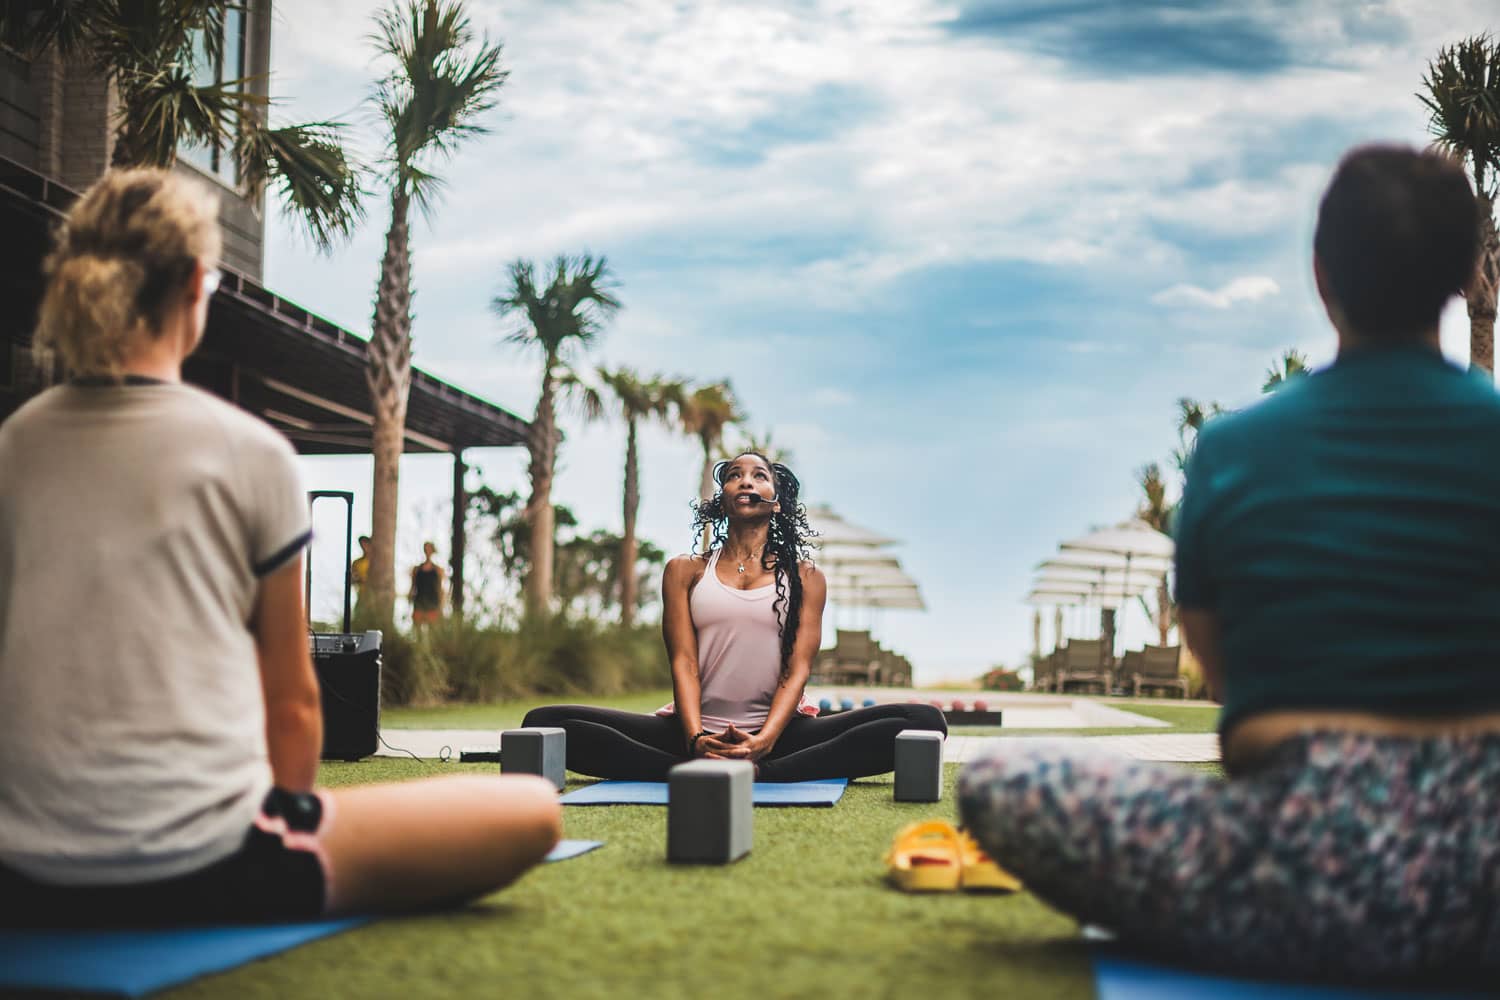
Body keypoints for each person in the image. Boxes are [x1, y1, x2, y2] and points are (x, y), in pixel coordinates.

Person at [958, 145, 1500, 980]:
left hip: (1295, 863)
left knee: (1003, 781)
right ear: (1468, 271)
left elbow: (1221, 671)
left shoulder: (1233, 447)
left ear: (1322, 276)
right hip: (1485, 864)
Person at [0, 168, 560, 928]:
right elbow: (294, 702)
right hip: (211, 865)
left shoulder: (15, 443)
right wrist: (287, 816)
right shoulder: (250, 453)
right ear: (199, 284)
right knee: (530, 810)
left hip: (24, 874)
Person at [523, 452, 946, 781]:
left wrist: (763, 741)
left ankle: (762, 772)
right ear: (722, 500)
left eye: (759, 475)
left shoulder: (806, 577)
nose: (746, 480)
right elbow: (684, 662)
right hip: (691, 731)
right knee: (544, 722)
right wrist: (694, 739)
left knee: (924, 720)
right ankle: (697, 765)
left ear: (777, 503)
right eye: (734, 475)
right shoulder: (685, 571)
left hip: (783, 735)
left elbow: (798, 668)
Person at [409, 541, 446, 626]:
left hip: (433, 603)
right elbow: (413, 587)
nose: (427, 551)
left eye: (429, 549)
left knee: (432, 630)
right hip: (419, 602)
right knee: (417, 630)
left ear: (432, 551)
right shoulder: (417, 569)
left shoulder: (438, 570)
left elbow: (440, 589)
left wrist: (441, 605)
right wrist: (410, 598)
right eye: (426, 549)